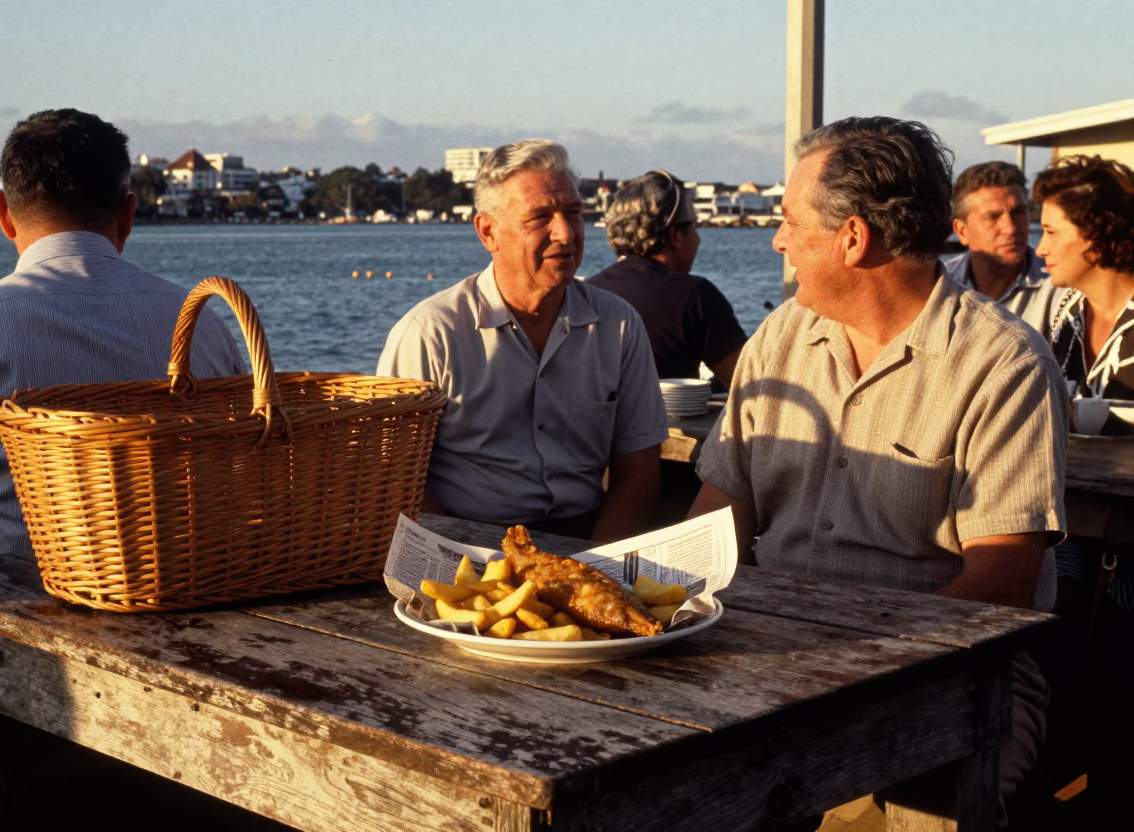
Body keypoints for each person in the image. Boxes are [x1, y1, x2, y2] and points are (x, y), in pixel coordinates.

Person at [688, 117, 1067, 823]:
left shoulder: (1004, 365)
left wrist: (847, 666)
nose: (776, 240)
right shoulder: (781, 336)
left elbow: (1002, 584)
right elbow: (718, 510)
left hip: (955, 678)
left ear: (852, 238)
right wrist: (650, 609)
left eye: (789, 222)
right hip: (771, 657)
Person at [0, 109, 245, 748]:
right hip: (179, 664)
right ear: (128, 213)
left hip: (5, 676)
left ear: (2, 213)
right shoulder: (207, 327)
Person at [377, 139, 667, 544]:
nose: (564, 233)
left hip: (586, 541)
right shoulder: (430, 334)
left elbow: (638, 472)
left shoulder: (618, 325)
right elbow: (394, 479)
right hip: (467, 545)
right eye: (540, 217)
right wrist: (467, 564)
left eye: (573, 213)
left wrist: (597, 568)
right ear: (488, 232)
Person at [1031, 153, 1134, 825]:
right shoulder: (1064, 313)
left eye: (1051, 232)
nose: (1040, 247)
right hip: (1077, 532)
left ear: (1095, 236)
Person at [586, 170, 747, 387]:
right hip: (667, 421)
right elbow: (748, 382)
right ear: (676, 235)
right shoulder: (695, 296)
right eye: (694, 227)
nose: (697, 239)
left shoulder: (585, 293)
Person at [944, 161, 1064, 338]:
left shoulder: (1059, 284)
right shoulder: (939, 287)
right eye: (993, 217)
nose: (1011, 228)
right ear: (962, 231)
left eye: (1018, 212)